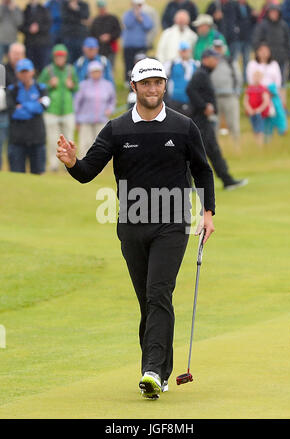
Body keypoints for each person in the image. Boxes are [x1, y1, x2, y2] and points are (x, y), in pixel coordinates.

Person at [56, 57, 216, 399]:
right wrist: (72, 162)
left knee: (159, 292)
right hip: (131, 225)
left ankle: (152, 371)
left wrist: (208, 213)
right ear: (134, 87)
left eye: (158, 82)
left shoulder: (183, 126)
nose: (153, 88)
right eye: (146, 83)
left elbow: (202, 170)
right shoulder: (116, 129)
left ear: (164, 86)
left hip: (172, 224)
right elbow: (87, 171)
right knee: (149, 301)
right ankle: (160, 368)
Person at [186, 49, 248, 190]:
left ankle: (226, 180)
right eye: (214, 58)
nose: (217, 61)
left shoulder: (204, 74)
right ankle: (224, 180)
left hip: (203, 121)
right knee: (201, 152)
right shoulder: (200, 74)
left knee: (209, 151)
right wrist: (204, 106)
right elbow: (190, 90)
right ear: (206, 59)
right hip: (200, 121)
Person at [38, 44, 78, 171]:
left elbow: (77, 86)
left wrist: (72, 85)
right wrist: (49, 84)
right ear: (54, 57)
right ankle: (53, 164)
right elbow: (39, 86)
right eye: (57, 57)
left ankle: (69, 164)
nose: (60, 59)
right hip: (52, 110)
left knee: (69, 139)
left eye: (62, 57)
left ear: (66, 57)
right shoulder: (48, 70)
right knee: (52, 139)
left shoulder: (71, 70)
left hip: (68, 110)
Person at [6, 58, 50, 174]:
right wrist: (35, 105)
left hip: (37, 140)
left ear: (32, 71)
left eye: (27, 71)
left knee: (39, 175)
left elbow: (44, 106)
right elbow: (13, 112)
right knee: (16, 176)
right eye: (22, 72)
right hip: (17, 141)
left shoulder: (42, 88)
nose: (24, 75)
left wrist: (23, 106)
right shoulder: (12, 90)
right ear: (17, 73)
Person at [74, 60, 116, 159]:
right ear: (89, 72)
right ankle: (83, 164)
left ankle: (98, 165)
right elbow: (77, 103)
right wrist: (77, 119)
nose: (96, 73)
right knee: (85, 144)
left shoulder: (107, 85)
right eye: (93, 71)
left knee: (101, 144)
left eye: (98, 71)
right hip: (85, 120)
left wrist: (109, 109)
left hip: (102, 120)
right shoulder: (83, 85)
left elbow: (112, 100)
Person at [252, 4, 290, 108]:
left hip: (281, 59)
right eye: (272, 12)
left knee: (281, 83)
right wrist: (262, 54)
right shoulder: (263, 25)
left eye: (276, 12)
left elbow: (288, 42)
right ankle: (263, 105)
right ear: (268, 13)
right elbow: (256, 41)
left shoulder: (283, 25)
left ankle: (282, 106)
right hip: (266, 61)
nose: (274, 14)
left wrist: (286, 54)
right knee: (265, 82)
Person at [210, 39, 242, 144]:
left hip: (230, 97)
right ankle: (213, 149)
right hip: (214, 98)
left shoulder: (230, 61)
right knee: (214, 125)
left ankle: (236, 146)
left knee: (234, 124)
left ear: (223, 49)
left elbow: (239, 78)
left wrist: (236, 93)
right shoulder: (210, 63)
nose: (218, 50)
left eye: (219, 48)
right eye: (216, 48)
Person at [0, 42, 26, 170]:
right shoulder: (2, 69)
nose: (17, 56)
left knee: (14, 147)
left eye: (20, 54)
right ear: (9, 54)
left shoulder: (27, 70)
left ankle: (14, 171)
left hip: (21, 115)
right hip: (3, 113)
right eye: (15, 53)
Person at [164, 41, 199, 117]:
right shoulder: (172, 64)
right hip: (175, 99)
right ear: (179, 52)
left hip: (190, 100)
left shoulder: (195, 65)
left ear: (190, 51)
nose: (185, 53)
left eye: (186, 50)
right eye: (183, 50)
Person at [122, 0, 153, 83]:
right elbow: (127, 24)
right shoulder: (128, 14)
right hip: (129, 45)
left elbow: (149, 26)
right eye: (136, 5)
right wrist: (135, 16)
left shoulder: (145, 15)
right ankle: (128, 81)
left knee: (141, 63)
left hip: (140, 45)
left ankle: (141, 78)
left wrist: (141, 19)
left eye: (139, 5)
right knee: (128, 63)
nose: (138, 7)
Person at [19, 0, 52, 73]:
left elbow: (48, 25)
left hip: (42, 44)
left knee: (43, 67)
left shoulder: (44, 10)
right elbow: (20, 26)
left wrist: (38, 28)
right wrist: (29, 29)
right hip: (29, 44)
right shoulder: (25, 11)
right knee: (30, 67)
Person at [89, 0, 122, 68]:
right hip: (99, 49)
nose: (102, 10)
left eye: (103, 8)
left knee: (110, 67)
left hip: (111, 48)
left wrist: (109, 37)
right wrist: (99, 38)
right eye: (100, 8)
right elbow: (92, 34)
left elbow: (118, 32)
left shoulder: (113, 19)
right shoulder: (95, 20)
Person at [243, 70, 272, 144]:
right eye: (255, 76)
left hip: (260, 113)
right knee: (254, 128)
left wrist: (259, 110)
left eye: (258, 77)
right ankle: (256, 143)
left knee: (260, 129)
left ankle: (260, 143)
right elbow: (246, 100)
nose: (256, 78)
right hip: (252, 112)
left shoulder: (263, 89)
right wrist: (249, 109)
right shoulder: (250, 88)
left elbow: (266, 101)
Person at [234, 0, 258, 82]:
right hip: (237, 38)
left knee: (246, 60)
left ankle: (246, 79)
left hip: (247, 38)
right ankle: (237, 79)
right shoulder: (234, 6)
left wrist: (255, 16)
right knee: (235, 60)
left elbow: (253, 23)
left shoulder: (249, 8)